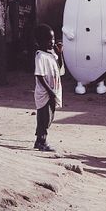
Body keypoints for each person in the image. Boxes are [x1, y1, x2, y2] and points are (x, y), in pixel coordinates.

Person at [33, 24, 64, 152]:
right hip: (44, 94)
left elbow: (60, 67)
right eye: (49, 39)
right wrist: (50, 91)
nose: (52, 42)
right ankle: (42, 141)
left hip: (52, 93)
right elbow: (39, 76)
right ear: (40, 41)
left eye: (53, 38)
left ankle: (39, 140)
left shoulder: (52, 55)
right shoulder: (40, 56)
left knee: (49, 117)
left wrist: (59, 53)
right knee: (44, 117)